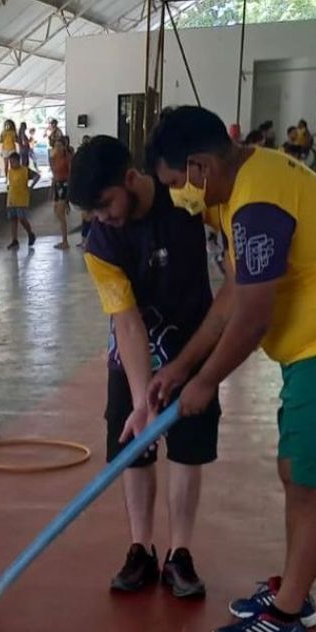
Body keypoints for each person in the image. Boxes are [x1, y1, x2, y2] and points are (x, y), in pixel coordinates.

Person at [146, 105, 316, 632]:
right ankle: (294, 593)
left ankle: (285, 617)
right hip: (311, 353)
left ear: (200, 165)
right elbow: (231, 296)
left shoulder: (256, 201)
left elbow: (254, 315)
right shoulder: (248, 186)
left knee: (313, 484)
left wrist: (205, 384)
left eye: (176, 183)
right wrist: (181, 367)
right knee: (295, 472)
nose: (177, 196)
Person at [69, 135, 220, 600]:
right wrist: (142, 403)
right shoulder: (100, 243)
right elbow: (128, 324)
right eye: (92, 211)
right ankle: (141, 548)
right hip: (134, 352)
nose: (102, 216)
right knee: (135, 445)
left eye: (105, 203)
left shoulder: (186, 200)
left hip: (194, 346)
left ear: (130, 179)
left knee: (188, 450)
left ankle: (179, 553)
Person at [6, 151, 39, 250]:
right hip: (11, 198)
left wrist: (31, 187)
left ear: (18, 161)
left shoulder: (25, 170)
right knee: (13, 219)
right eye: (10, 162)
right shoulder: (10, 171)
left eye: (13, 162)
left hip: (22, 198)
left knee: (21, 218)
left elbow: (37, 176)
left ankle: (30, 233)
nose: (11, 164)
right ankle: (14, 239)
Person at [50, 136, 73, 250]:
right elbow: (54, 174)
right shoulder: (54, 157)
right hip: (57, 184)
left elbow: (71, 173)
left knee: (60, 212)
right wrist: (52, 188)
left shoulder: (67, 158)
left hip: (65, 184)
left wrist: (69, 193)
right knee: (57, 212)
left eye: (60, 146)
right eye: (56, 146)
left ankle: (65, 241)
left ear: (64, 147)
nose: (58, 148)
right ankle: (64, 239)